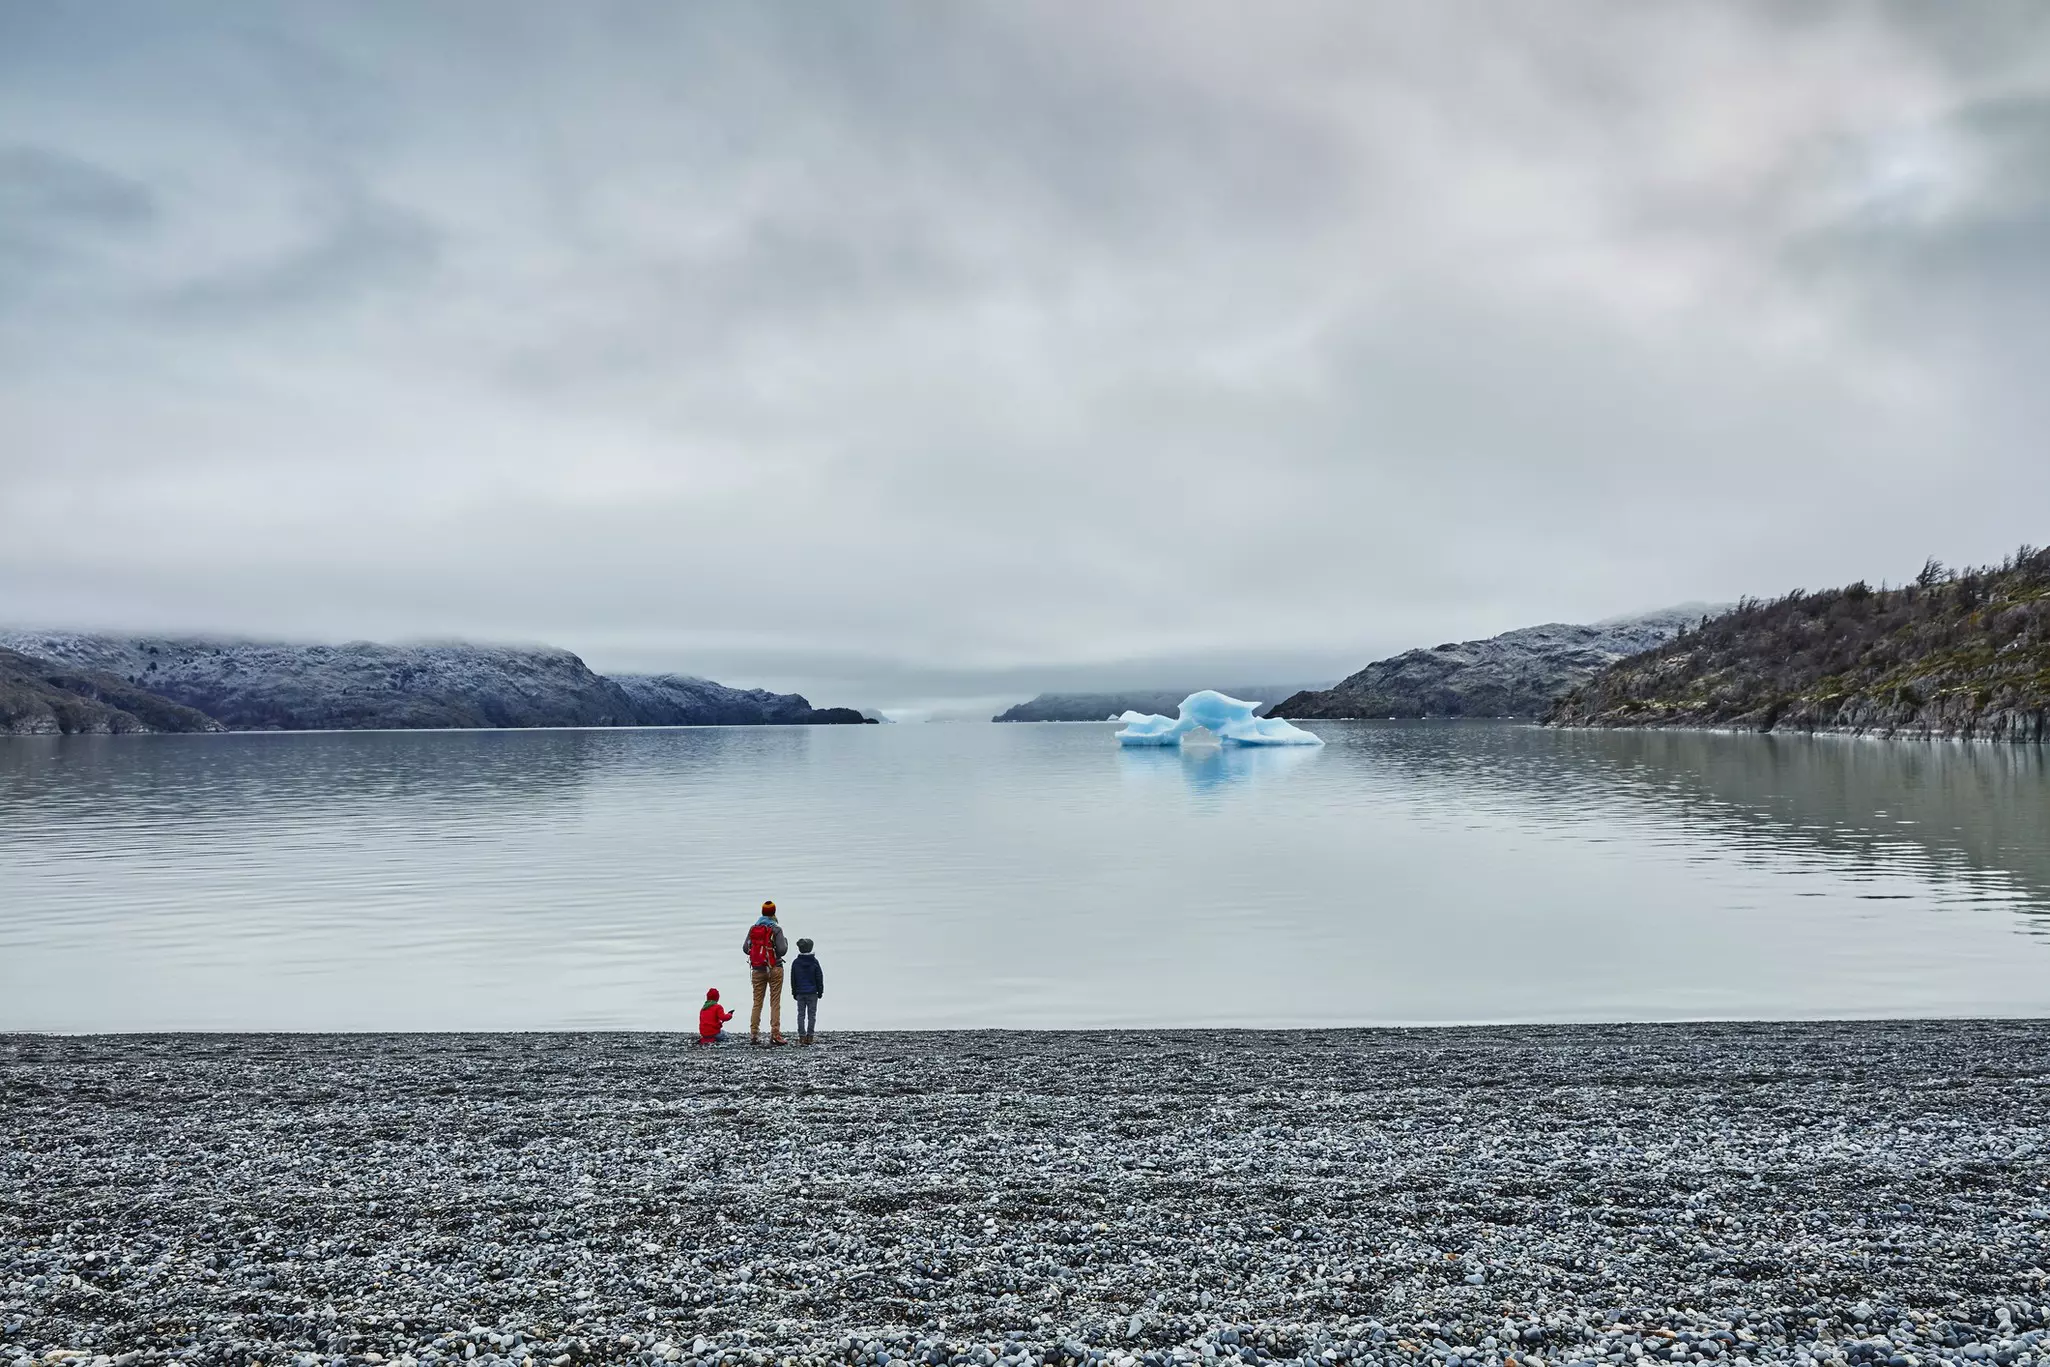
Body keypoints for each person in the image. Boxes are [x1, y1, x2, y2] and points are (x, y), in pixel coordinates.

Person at [743, 900, 789, 1045]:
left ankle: (754, 1034)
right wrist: (785, 941)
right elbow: (782, 950)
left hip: (757, 970)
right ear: (774, 913)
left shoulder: (753, 928)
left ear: (762, 913)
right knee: (774, 1002)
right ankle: (775, 1034)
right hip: (775, 968)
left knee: (757, 1002)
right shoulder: (776, 929)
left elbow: (745, 948)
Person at [789, 937, 824, 1045]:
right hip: (812, 992)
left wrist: (794, 992)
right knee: (812, 1015)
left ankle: (802, 1036)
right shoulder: (814, 961)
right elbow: (819, 977)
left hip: (800, 992)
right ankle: (810, 1036)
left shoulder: (796, 962)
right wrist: (820, 991)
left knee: (801, 1015)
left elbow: (793, 979)